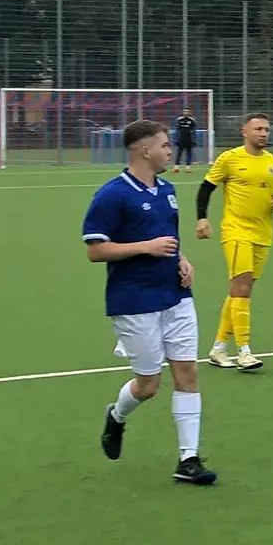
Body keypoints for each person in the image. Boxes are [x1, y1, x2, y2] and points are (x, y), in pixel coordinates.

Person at [83, 119, 216, 485]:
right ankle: (117, 415)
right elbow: (96, 251)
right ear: (145, 150)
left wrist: (183, 261)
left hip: (176, 297)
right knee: (149, 385)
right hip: (134, 301)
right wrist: (145, 248)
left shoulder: (168, 190)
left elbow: (169, 239)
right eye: (164, 145)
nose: (170, 150)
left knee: (187, 372)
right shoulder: (112, 195)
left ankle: (188, 460)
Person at [197, 113, 273, 370]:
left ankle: (218, 349)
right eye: (258, 129)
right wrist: (202, 218)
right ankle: (244, 351)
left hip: (263, 233)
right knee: (243, 289)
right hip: (236, 231)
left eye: (267, 129)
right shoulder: (230, 158)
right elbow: (206, 187)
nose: (263, 133)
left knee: (239, 290)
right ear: (244, 132)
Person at [172, 107, 198, 173]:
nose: (186, 112)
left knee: (189, 153)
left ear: (189, 112)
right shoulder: (179, 120)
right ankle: (176, 168)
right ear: (183, 112)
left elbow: (194, 131)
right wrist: (176, 139)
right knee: (179, 153)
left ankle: (188, 168)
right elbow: (177, 130)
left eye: (187, 111)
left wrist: (194, 140)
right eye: (184, 111)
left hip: (189, 139)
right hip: (181, 139)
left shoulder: (192, 120)